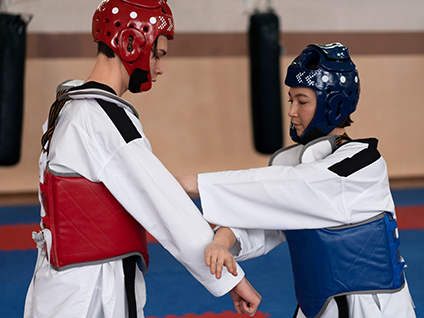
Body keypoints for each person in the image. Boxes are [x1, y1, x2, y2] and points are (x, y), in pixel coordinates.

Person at [23, 1, 261, 317]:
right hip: (94, 289)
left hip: (61, 285)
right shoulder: (104, 117)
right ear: (132, 43)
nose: (160, 67)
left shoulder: (67, 106)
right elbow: (164, 204)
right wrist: (233, 279)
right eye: (158, 54)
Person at [176, 43, 417, 317]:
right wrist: (223, 240)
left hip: (373, 308)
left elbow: (296, 188)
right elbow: (270, 218)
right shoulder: (299, 167)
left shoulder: (363, 164)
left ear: (333, 105)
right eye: (290, 100)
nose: (291, 111)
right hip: (317, 307)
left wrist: (193, 183)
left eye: (301, 101)